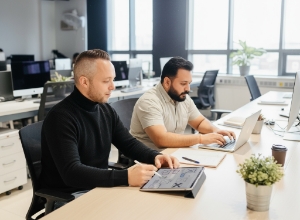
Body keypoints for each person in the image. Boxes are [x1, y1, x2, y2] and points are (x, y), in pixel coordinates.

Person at [39, 49, 179, 195]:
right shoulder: (61, 118)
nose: (112, 86)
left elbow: (128, 144)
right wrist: (126, 176)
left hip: (98, 186)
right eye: (106, 81)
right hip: (70, 196)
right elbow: (72, 173)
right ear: (84, 81)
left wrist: (155, 156)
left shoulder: (105, 110)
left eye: (113, 79)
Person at [130, 56, 235, 151]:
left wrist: (215, 130)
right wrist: (201, 138)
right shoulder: (149, 102)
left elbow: (199, 122)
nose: (188, 89)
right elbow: (161, 140)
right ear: (167, 82)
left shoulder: (183, 98)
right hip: (149, 161)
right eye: (183, 84)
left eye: (189, 83)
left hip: (174, 153)